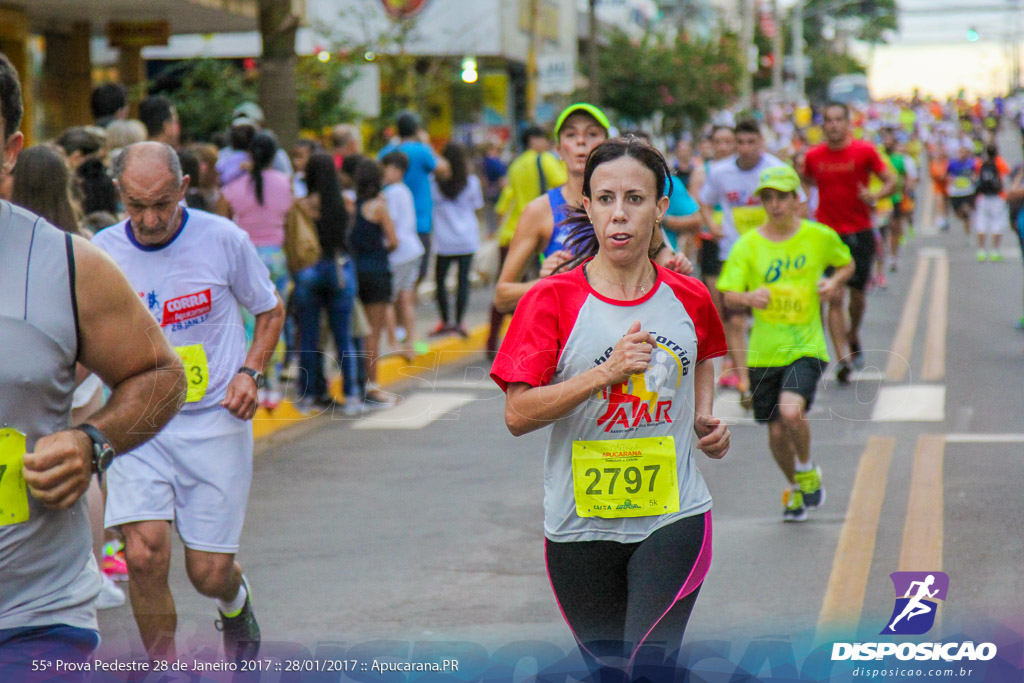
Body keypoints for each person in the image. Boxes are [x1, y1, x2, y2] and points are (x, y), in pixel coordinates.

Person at [491, 137, 729, 680]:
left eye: (635, 198)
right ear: (587, 207)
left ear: (661, 207)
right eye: (604, 199)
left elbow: (706, 355)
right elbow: (517, 414)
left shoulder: (689, 296)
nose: (619, 214)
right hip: (580, 528)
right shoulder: (549, 300)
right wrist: (605, 373)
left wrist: (704, 416)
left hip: (673, 515)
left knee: (648, 666)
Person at [0, 53, 185, 679]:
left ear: (10, 153)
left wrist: (92, 442)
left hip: (31, 616)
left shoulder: (66, 265)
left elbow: (161, 376)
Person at [91, 142, 285, 663]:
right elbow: (84, 339)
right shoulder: (100, 253)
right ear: (119, 195)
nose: (150, 219)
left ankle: (234, 599)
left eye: (162, 203)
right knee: (142, 553)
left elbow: (268, 310)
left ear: (183, 188)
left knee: (208, 573)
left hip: (213, 421)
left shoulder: (223, 239)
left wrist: (250, 372)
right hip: (138, 421)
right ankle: (165, 668)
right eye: (136, 205)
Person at [716, 165, 854, 522]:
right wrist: (748, 298)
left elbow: (846, 263)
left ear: (797, 200)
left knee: (792, 412)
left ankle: (807, 469)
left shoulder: (818, 236)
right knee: (776, 430)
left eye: (782, 197)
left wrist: (832, 282)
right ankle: (795, 486)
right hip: (764, 350)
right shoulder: (749, 245)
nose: (775, 205)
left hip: (806, 345)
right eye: (768, 198)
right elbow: (728, 294)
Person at [698, 119, 803, 405]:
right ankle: (745, 382)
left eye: (751, 142)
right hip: (733, 252)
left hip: (771, 254)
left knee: (770, 314)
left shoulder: (776, 170)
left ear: (761, 142)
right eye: (740, 142)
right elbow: (704, 201)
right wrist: (712, 225)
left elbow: (800, 204)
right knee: (735, 317)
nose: (745, 149)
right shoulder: (721, 172)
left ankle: (777, 371)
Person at [804, 102, 895, 382]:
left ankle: (852, 333)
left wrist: (876, 196)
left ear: (847, 123)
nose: (833, 125)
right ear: (823, 126)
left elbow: (891, 179)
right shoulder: (813, 156)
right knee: (834, 294)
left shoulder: (864, 151)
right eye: (828, 121)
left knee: (857, 297)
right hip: (827, 235)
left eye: (837, 120)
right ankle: (843, 357)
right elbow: (805, 182)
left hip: (860, 231)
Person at [221, 131, 294, 409]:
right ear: (275, 156)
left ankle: (254, 380)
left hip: (246, 261)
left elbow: (223, 223)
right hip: (277, 257)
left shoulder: (234, 187)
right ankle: (274, 385)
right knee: (276, 318)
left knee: (250, 325)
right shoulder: (285, 183)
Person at [292, 152, 365, 414]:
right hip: (339, 268)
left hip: (310, 271)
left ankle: (309, 394)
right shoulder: (343, 204)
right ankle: (352, 395)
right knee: (343, 337)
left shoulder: (303, 205)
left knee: (309, 337)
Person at [486, 124, 567, 353]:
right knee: (538, 292)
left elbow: (505, 201)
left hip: (511, 232)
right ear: (533, 140)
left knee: (506, 290)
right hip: (540, 233)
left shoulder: (515, 165)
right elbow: (565, 183)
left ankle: (492, 342)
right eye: (542, 138)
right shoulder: (545, 160)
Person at [350, 159, 400, 408]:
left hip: (356, 271)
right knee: (373, 333)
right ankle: (372, 386)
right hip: (377, 270)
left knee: (358, 330)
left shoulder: (352, 206)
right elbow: (393, 241)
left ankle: (357, 382)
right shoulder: (379, 207)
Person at [379, 112, 451, 284]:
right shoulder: (422, 151)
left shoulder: (387, 152)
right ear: (416, 129)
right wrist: (426, 143)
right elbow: (444, 171)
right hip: (420, 221)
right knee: (416, 274)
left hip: (391, 221)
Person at [430, 141, 483, 337]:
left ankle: (444, 321)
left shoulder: (434, 182)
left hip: (443, 241)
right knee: (462, 282)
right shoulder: (471, 182)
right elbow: (477, 206)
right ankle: (460, 322)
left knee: (440, 281)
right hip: (467, 238)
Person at [382, 150, 425, 360]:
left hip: (398, 253)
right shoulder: (404, 190)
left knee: (388, 300)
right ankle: (410, 342)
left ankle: (393, 342)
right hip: (412, 249)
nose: (384, 173)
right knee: (407, 299)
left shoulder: (392, 193)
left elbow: (391, 223)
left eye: (387, 169)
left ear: (397, 170)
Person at [972, 143, 1011, 262]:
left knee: (981, 223)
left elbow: (975, 176)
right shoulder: (999, 162)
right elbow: (1007, 173)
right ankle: (995, 251)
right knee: (997, 223)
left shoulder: (980, 163)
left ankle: (981, 251)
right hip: (997, 197)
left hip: (983, 197)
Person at [945, 145, 977, 241]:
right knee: (958, 214)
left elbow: (974, 174)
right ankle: (963, 218)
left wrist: (973, 179)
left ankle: (968, 234)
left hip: (967, 191)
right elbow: (947, 175)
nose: (962, 155)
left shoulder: (971, 163)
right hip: (955, 192)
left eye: (964, 152)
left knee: (966, 211)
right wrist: (950, 180)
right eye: (961, 152)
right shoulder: (952, 164)